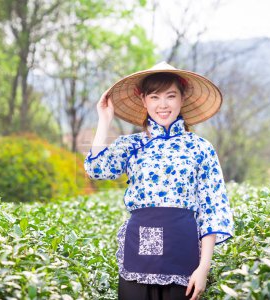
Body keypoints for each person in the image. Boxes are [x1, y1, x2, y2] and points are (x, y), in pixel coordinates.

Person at [84, 62, 234, 300]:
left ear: (182, 99)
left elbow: (212, 210)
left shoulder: (200, 148)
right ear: (144, 100)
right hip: (140, 247)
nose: (162, 105)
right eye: (154, 97)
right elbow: (96, 168)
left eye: (170, 96)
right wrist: (105, 119)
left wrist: (203, 268)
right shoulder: (132, 145)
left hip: (183, 250)